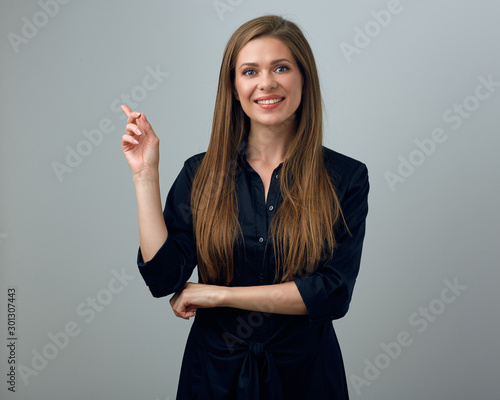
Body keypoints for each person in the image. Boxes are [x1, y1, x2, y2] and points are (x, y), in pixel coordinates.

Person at [121, 15, 369, 400]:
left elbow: (331, 293)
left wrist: (218, 295)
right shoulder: (200, 174)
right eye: (250, 71)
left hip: (307, 378)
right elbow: (163, 278)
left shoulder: (345, 177)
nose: (266, 83)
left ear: (303, 79)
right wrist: (145, 176)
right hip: (214, 379)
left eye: (281, 68)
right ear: (235, 89)